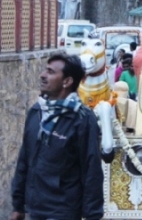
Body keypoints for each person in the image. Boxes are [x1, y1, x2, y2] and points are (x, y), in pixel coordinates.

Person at [10, 53, 104, 220]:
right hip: (36, 209)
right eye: (45, 70)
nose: (43, 75)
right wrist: (18, 206)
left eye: (51, 72)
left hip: (63, 210)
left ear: (67, 81)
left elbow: (92, 170)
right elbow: (25, 159)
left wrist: (92, 215)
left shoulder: (82, 119)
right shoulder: (36, 112)